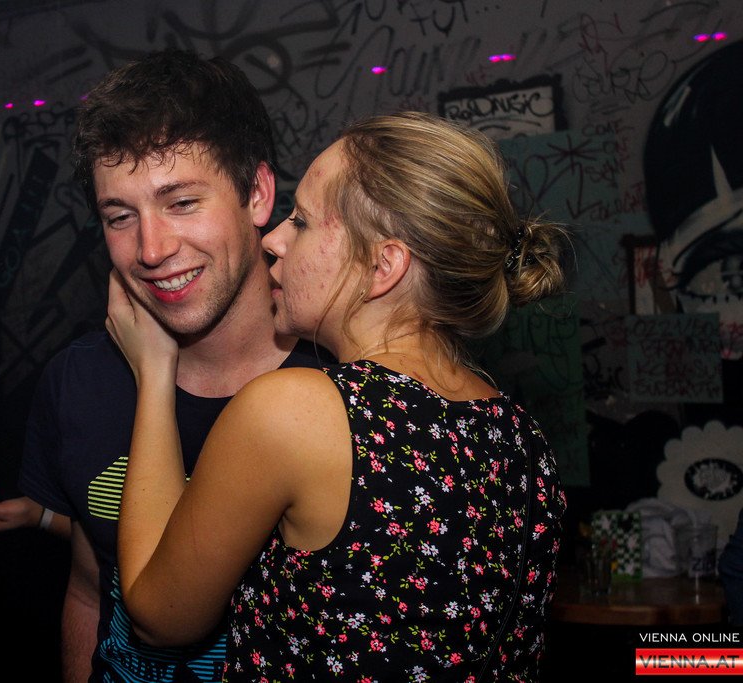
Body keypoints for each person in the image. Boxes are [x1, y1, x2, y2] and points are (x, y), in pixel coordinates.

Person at [107, 112, 568, 681]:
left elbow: (160, 616)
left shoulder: (293, 412)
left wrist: (154, 368)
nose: (273, 239)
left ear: (382, 265)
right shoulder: (524, 439)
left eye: (302, 221)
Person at [0, 50, 323, 682]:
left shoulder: (343, 382)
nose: (151, 250)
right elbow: (88, 588)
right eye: (120, 217)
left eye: (181, 202)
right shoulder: (77, 382)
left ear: (258, 194)